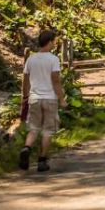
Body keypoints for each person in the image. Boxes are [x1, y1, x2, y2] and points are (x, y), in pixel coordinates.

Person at [19, 29, 67, 173]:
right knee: (47, 130)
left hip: (34, 98)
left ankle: (26, 148)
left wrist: (25, 97)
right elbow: (56, 80)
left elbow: (25, 80)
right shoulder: (53, 59)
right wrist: (62, 99)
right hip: (50, 98)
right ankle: (42, 161)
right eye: (54, 41)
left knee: (33, 128)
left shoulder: (31, 59)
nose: (55, 44)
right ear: (50, 42)